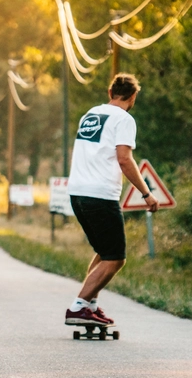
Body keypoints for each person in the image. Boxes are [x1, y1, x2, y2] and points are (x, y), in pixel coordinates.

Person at [64, 73, 158, 328]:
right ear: (133, 96)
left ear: (110, 93)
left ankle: (90, 305)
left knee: (104, 252)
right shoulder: (124, 119)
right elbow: (125, 159)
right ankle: (79, 306)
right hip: (100, 194)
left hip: (78, 192)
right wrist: (146, 193)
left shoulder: (91, 114)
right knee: (116, 258)